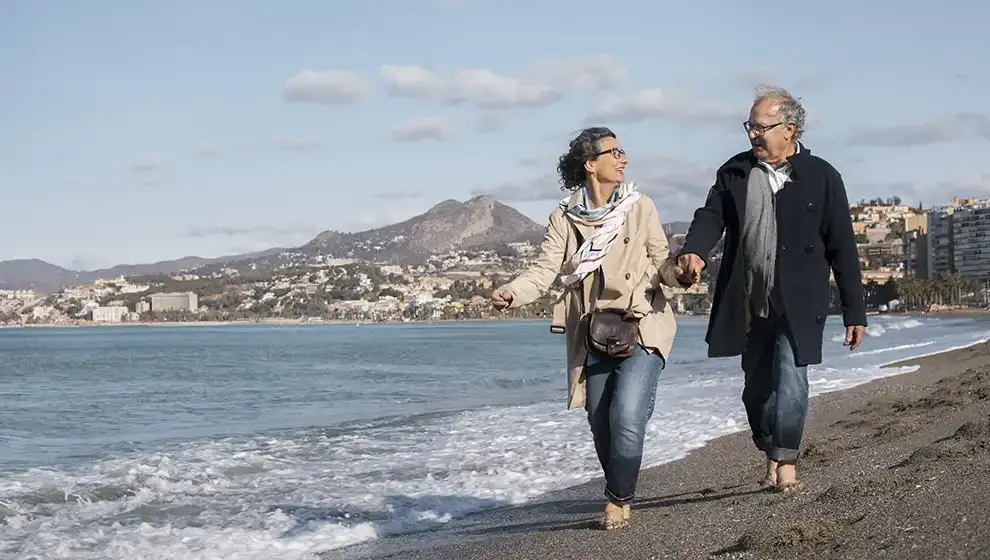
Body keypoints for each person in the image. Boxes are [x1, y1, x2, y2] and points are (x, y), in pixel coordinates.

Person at [491, 127, 692, 530]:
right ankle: (618, 480)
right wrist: (512, 292)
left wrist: (681, 274)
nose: (624, 159)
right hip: (593, 332)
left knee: (627, 416)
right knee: (600, 423)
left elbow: (661, 264)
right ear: (590, 164)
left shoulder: (640, 207)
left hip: (642, 324)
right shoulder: (564, 217)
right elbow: (545, 270)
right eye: (614, 153)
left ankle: (619, 499)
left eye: (622, 151)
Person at [676, 86, 867, 493]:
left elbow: (843, 248)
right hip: (748, 301)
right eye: (750, 127)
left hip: (802, 301)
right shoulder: (735, 172)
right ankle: (770, 445)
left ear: (790, 129)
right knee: (757, 391)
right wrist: (693, 251)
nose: (753, 135)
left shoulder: (823, 176)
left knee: (793, 379)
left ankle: (786, 460)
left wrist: (855, 312)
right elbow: (710, 216)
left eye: (761, 128)